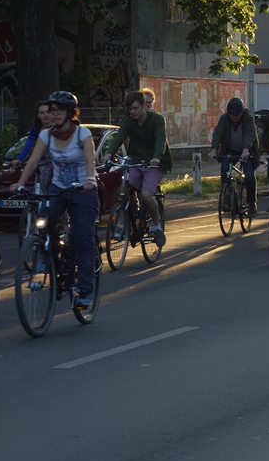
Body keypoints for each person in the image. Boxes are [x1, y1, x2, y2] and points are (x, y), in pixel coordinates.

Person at [12, 92, 100, 308]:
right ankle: (50, 255)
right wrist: (20, 183)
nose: (55, 113)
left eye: (60, 109)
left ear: (70, 112)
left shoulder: (82, 134)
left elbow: (90, 158)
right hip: (58, 188)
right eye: (52, 110)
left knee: (82, 239)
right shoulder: (46, 135)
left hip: (83, 190)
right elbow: (33, 161)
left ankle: (84, 291)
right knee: (44, 220)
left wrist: (90, 179)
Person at [102, 90, 168, 248]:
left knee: (145, 194)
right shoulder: (128, 122)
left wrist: (156, 157)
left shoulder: (157, 120)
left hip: (154, 163)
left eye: (135, 108)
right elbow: (119, 137)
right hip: (136, 161)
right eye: (130, 109)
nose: (132, 112)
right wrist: (108, 155)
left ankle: (156, 226)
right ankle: (123, 223)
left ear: (144, 106)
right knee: (124, 189)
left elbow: (161, 140)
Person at [208, 97, 258, 214]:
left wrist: (246, 150)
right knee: (225, 169)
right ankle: (228, 195)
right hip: (230, 149)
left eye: (237, 115)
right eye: (232, 115)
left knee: (249, 175)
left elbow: (250, 134)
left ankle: (251, 203)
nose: (234, 117)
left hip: (247, 150)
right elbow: (218, 133)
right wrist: (213, 150)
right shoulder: (225, 119)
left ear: (241, 112)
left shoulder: (248, 118)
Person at [13, 101, 55, 192]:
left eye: (48, 112)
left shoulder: (58, 129)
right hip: (43, 165)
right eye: (42, 113)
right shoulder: (36, 130)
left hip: (57, 164)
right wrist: (19, 159)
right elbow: (28, 144)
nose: (45, 115)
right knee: (39, 188)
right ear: (38, 116)